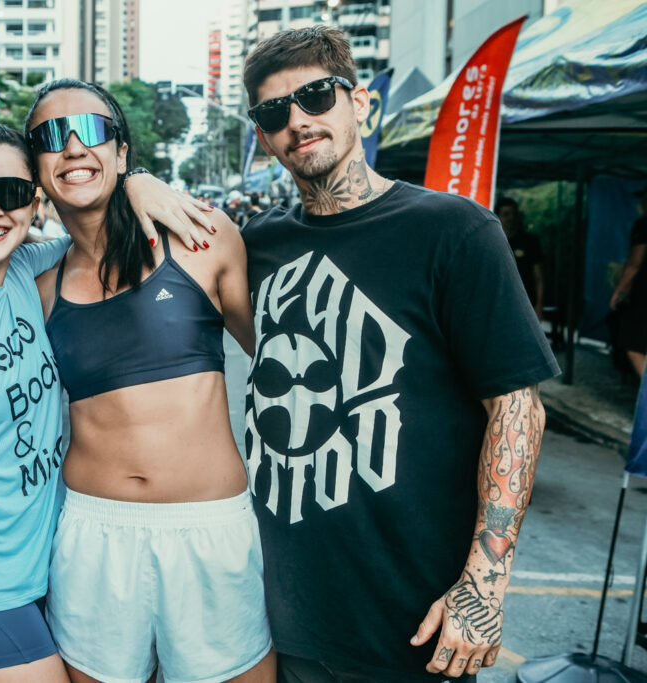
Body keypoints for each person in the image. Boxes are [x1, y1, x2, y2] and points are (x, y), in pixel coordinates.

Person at [235, 26, 560, 681]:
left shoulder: (455, 232)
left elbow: (517, 409)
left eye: (316, 96)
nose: (298, 120)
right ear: (262, 135)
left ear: (360, 102)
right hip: (278, 620)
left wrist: (485, 583)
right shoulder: (252, 245)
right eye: (275, 112)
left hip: (412, 622)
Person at [0, 81, 273, 683]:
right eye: (53, 136)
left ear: (122, 151)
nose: (75, 147)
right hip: (93, 535)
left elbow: (278, 365)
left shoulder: (202, 240)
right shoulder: (38, 284)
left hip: (211, 530)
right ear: (36, 169)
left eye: (93, 130)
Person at [610, 188, 647, 377]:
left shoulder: (643, 225)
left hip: (643, 297)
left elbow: (634, 263)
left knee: (633, 345)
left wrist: (617, 292)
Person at [496, 197, 545, 320]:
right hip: (498, 304)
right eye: (506, 214)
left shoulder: (530, 242)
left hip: (526, 303)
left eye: (514, 214)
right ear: (498, 217)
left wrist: (539, 306)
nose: (511, 218)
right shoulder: (492, 242)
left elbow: (539, 278)